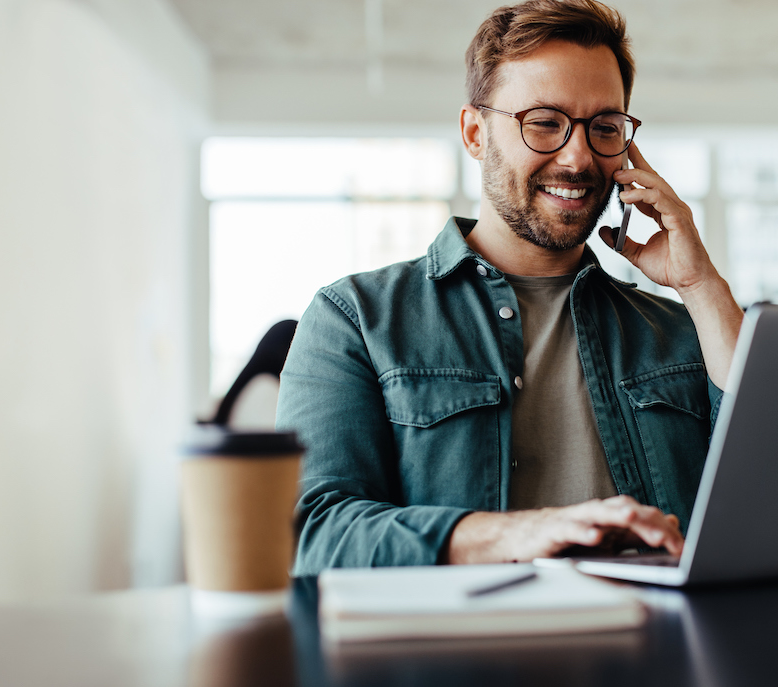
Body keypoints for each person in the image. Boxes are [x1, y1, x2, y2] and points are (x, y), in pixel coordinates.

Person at [276, 0, 744, 574]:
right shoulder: (355, 319)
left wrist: (700, 285)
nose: (578, 157)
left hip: (658, 634)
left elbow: (762, 498)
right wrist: (522, 532)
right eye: (544, 122)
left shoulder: (683, 332)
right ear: (475, 133)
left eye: (604, 128)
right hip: (462, 634)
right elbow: (313, 534)